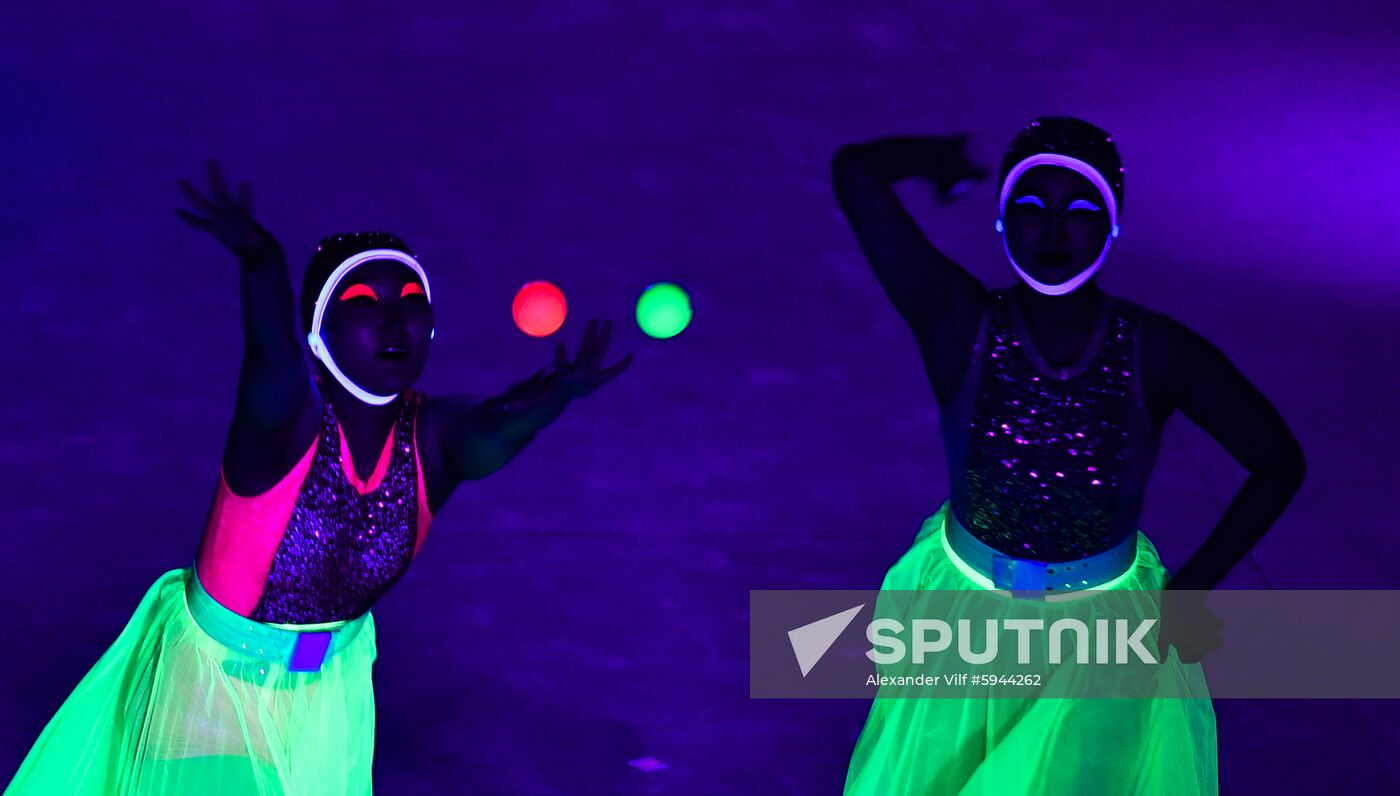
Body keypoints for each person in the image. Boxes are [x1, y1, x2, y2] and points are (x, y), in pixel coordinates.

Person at [5, 161, 632, 795]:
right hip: (210, 692)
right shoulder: (283, 423)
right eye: (365, 305)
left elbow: (492, 426)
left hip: (329, 695)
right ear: (318, 330)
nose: (394, 322)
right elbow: (270, 349)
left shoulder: (435, 441)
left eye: (410, 305)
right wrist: (262, 262)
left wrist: (555, 396)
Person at [832, 117, 1305, 795]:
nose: (1054, 231)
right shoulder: (960, 323)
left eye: (1080, 211)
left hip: (1101, 643)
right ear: (1001, 221)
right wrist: (933, 154)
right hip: (967, 624)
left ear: (1112, 226)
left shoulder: (1156, 351)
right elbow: (855, 172)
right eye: (1031, 208)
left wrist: (1188, 592)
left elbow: (1278, 460)